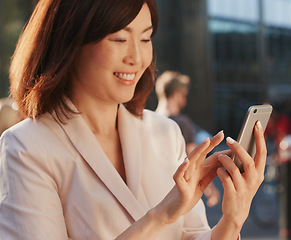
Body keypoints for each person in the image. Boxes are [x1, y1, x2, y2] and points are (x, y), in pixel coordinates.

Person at [0, 0, 267, 239]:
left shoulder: (164, 131)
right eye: (118, 39)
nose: (137, 59)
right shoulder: (27, 147)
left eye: (145, 38)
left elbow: (192, 235)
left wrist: (232, 221)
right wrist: (161, 215)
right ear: (70, 43)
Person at [155, 70, 220, 207]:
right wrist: (211, 190)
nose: (185, 99)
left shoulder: (148, 119)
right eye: (184, 95)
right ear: (176, 94)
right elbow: (194, 159)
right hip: (178, 191)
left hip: (154, 190)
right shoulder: (181, 123)